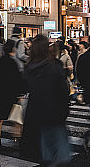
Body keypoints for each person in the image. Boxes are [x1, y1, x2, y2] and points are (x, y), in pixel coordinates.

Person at [20, 35, 71, 165]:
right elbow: (63, 91)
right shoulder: (55, 65)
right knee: (59, 154)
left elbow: (24, 88)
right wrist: (65, 111)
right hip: (54, 113)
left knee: (41, 153)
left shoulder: (28, 67)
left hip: (35, 113)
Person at [0, 38, 24, 152]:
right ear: (13, 49)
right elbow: (18, 80)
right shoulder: (13, 63)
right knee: (17, 117)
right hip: (10, 94)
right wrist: (19, 93)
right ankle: (17, 137)